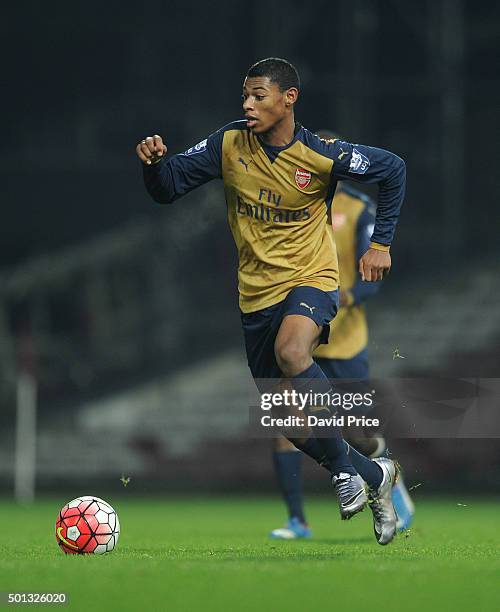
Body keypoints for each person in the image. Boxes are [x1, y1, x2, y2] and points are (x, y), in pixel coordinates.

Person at [136, 58, 406, 545]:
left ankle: (344, 474)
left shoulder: (321, 154)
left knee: (292, 352)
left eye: (258, 95)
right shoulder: (228, 143)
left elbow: (393, 170)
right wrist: (154, 167)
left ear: (289, 99)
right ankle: (371, 474)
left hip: (311, 279)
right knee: (285, 422)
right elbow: (169, 187)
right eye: (245, 95)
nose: (247, 104)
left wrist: (380, 243)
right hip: (256, 294)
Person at [270, 134, 414, 539]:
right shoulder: (293, 203)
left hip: (345, 340)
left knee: (357, 432)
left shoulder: (356, 208)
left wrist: (348, 293)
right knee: (283, 419)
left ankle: (384, 471)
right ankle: (298, 520)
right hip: (302, 332)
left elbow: (375, 273)